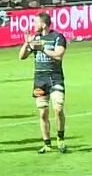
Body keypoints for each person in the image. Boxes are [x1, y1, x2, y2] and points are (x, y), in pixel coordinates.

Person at [19, 12, 68, 154]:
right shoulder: (35, 38)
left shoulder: (57, 37)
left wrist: (42, 49)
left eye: (36, 22)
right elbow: (22, 56)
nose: (34, 25)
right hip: (40, 79)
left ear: (44, 24)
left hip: (55, 77)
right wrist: (27, 42)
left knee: (58, 109)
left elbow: (58, 55)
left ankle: (60, 138)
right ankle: (47, 143)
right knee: (43, 113)